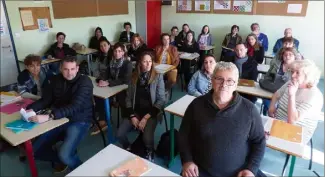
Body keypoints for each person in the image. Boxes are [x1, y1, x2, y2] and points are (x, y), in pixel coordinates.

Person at [179, 61, 266, 177]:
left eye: (230, 81)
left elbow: (259, 141)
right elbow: (183, 135)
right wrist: (187, 161)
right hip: (201, 171)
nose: (224, 84)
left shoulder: (250, 110)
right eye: (219, 79)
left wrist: (251, 169)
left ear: (235, 85)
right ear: (212, 80)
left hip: (239, 173)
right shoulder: (196, 105)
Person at [26, 56, 93, 172]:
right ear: (61, 69)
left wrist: (49, 116)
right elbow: (46, 100)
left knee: (65, 154)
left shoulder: (85, 82)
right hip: (59, 118)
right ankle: (62, 160)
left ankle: (81, 170)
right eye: (66, 69)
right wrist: (30, 109)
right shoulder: (55, 79)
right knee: (35, 151)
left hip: (79, 120)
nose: (69, 73)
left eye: (72, 69)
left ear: (77, 68)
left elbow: (75, 107)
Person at [116, 51, 165, 162]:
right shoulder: (133, 77)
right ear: (140, 63)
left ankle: (150, 151)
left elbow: (161, 100)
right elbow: (128, 99)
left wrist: (145, 118)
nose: (148, 64)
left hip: (151, 112)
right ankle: (128, 146)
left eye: (150, 61)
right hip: (136, 111)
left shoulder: (158, 77)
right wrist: (132, 116)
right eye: (145, 61)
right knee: (119, 134)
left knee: (147, 138)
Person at [268, 59, 323, 143]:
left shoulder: (314, 95)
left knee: (257, 136)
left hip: (297, 132)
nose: (293, 75)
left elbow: (292, 121)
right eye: (293, 71)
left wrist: (291, 95)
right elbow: (276, 94)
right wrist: (271, 107)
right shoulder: (292, 82)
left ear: (307, 76)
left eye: (297, 73)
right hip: (279, 122)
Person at [91, 43, 133, 134]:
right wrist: (101, 80)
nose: (117, 53)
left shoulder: (127, 64)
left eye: (119, 51)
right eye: (115, 51)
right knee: (100, 97)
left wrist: (108, 82)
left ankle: (128, 121)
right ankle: (104, 120)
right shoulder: (112, 62)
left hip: (125, 89)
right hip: (113, 88)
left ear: (123, 53)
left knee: (123, 100)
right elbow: (106, 73)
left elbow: (125, 80)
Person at [261, 47, 300, 115]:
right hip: (270, 91)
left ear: (295, 56)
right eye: (285, 55)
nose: (287, 56)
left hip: (286, 96)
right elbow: (267, 77)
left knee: (280, 112)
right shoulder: (276, 65)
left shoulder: (297, 69)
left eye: (290, 54)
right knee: (268, 106)